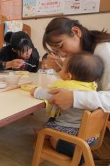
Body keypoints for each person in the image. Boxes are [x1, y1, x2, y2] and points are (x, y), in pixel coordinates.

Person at [42, 17, 110, 165]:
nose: (62, 54)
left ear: (76, 31)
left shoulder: (103, 50)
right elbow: (81, 83)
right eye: (56, 51)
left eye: (60, 46)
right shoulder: (86, 51)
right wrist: (60, 70)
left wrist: (74, 98)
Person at [31, 52, 104, 165]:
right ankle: (46, 133)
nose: (60, 69)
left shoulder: (67, 89)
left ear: (69, 76)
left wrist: (35, 90)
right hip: (90, 136)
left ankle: (79, 157)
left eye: (62, 68)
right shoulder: (92, 87)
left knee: (54, 137)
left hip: (73, 136)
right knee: (52, 119)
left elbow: (46, 94)